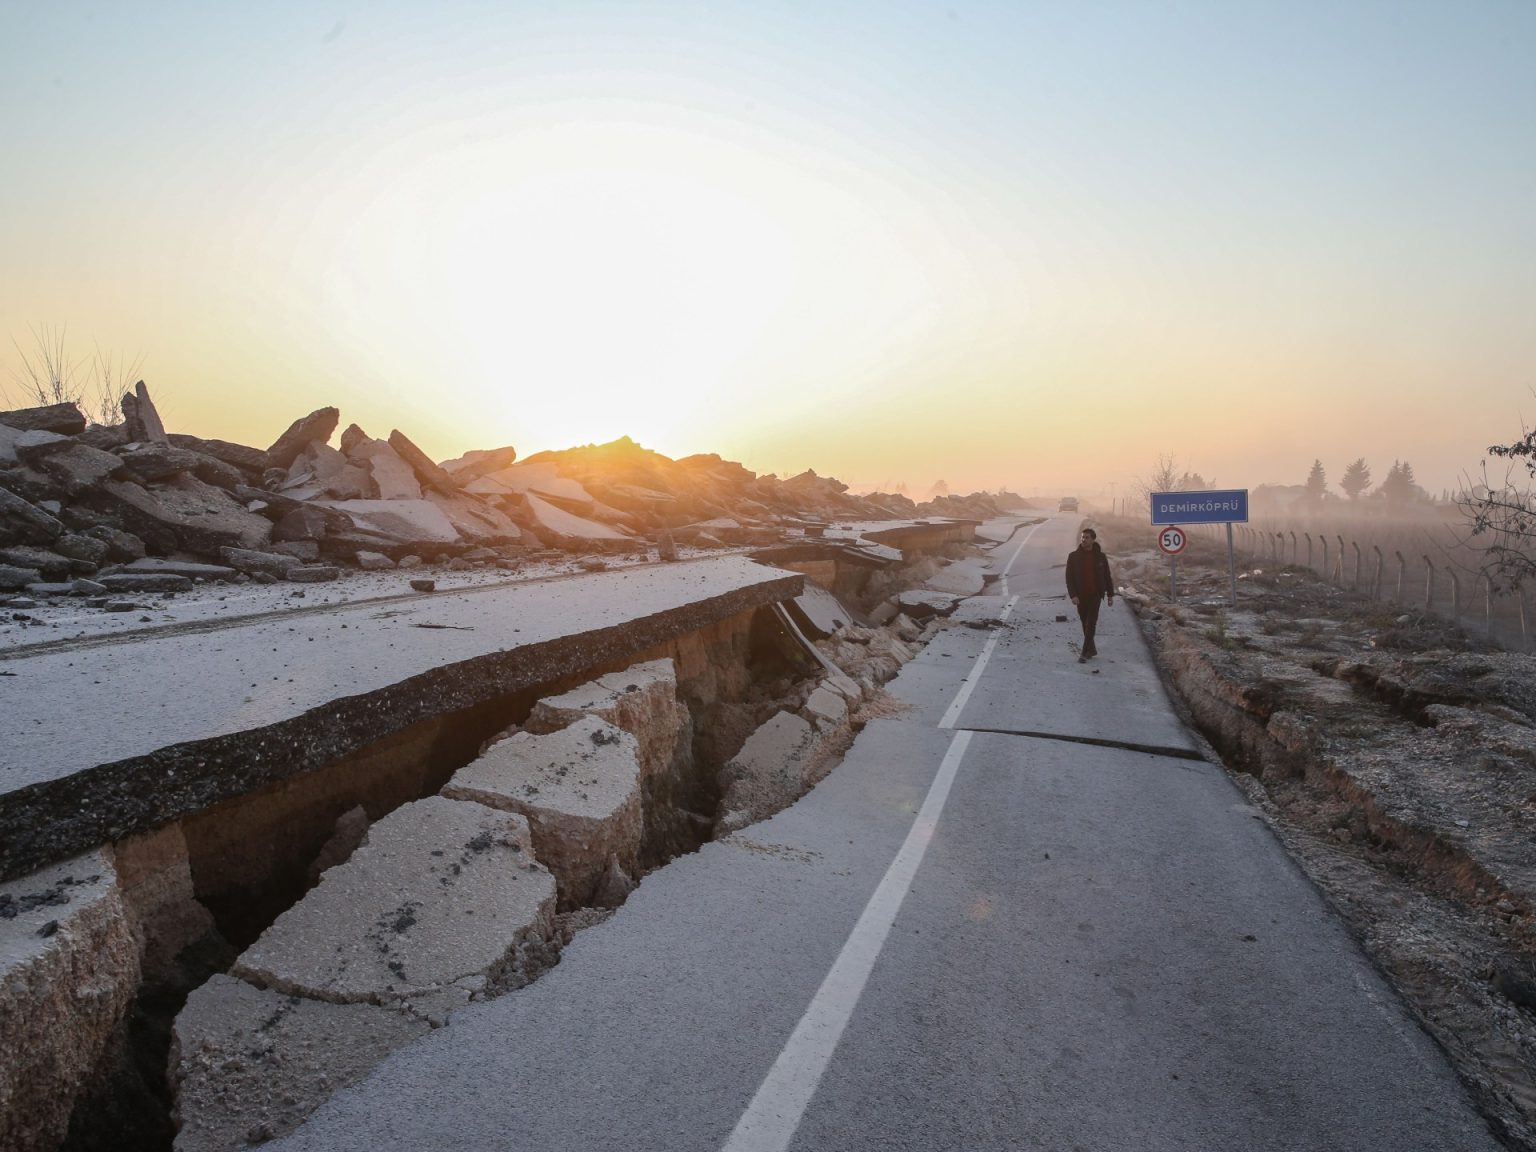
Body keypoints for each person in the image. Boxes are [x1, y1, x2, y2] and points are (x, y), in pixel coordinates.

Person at [1065, 526, 1115, 662]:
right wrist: (1073, 595)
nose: (1084, 540)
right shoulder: (1073, 557)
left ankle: (1084, 652)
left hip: (1096, 595)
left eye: (1087, 538)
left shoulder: (1100, 557)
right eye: (1083, 537)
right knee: (1084, 622)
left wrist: (1110, 595)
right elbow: (1069, 579)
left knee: (1091, 623)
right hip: (1080, 596)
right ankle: (1091, 649)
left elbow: (1107, 576)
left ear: (1093, 540)